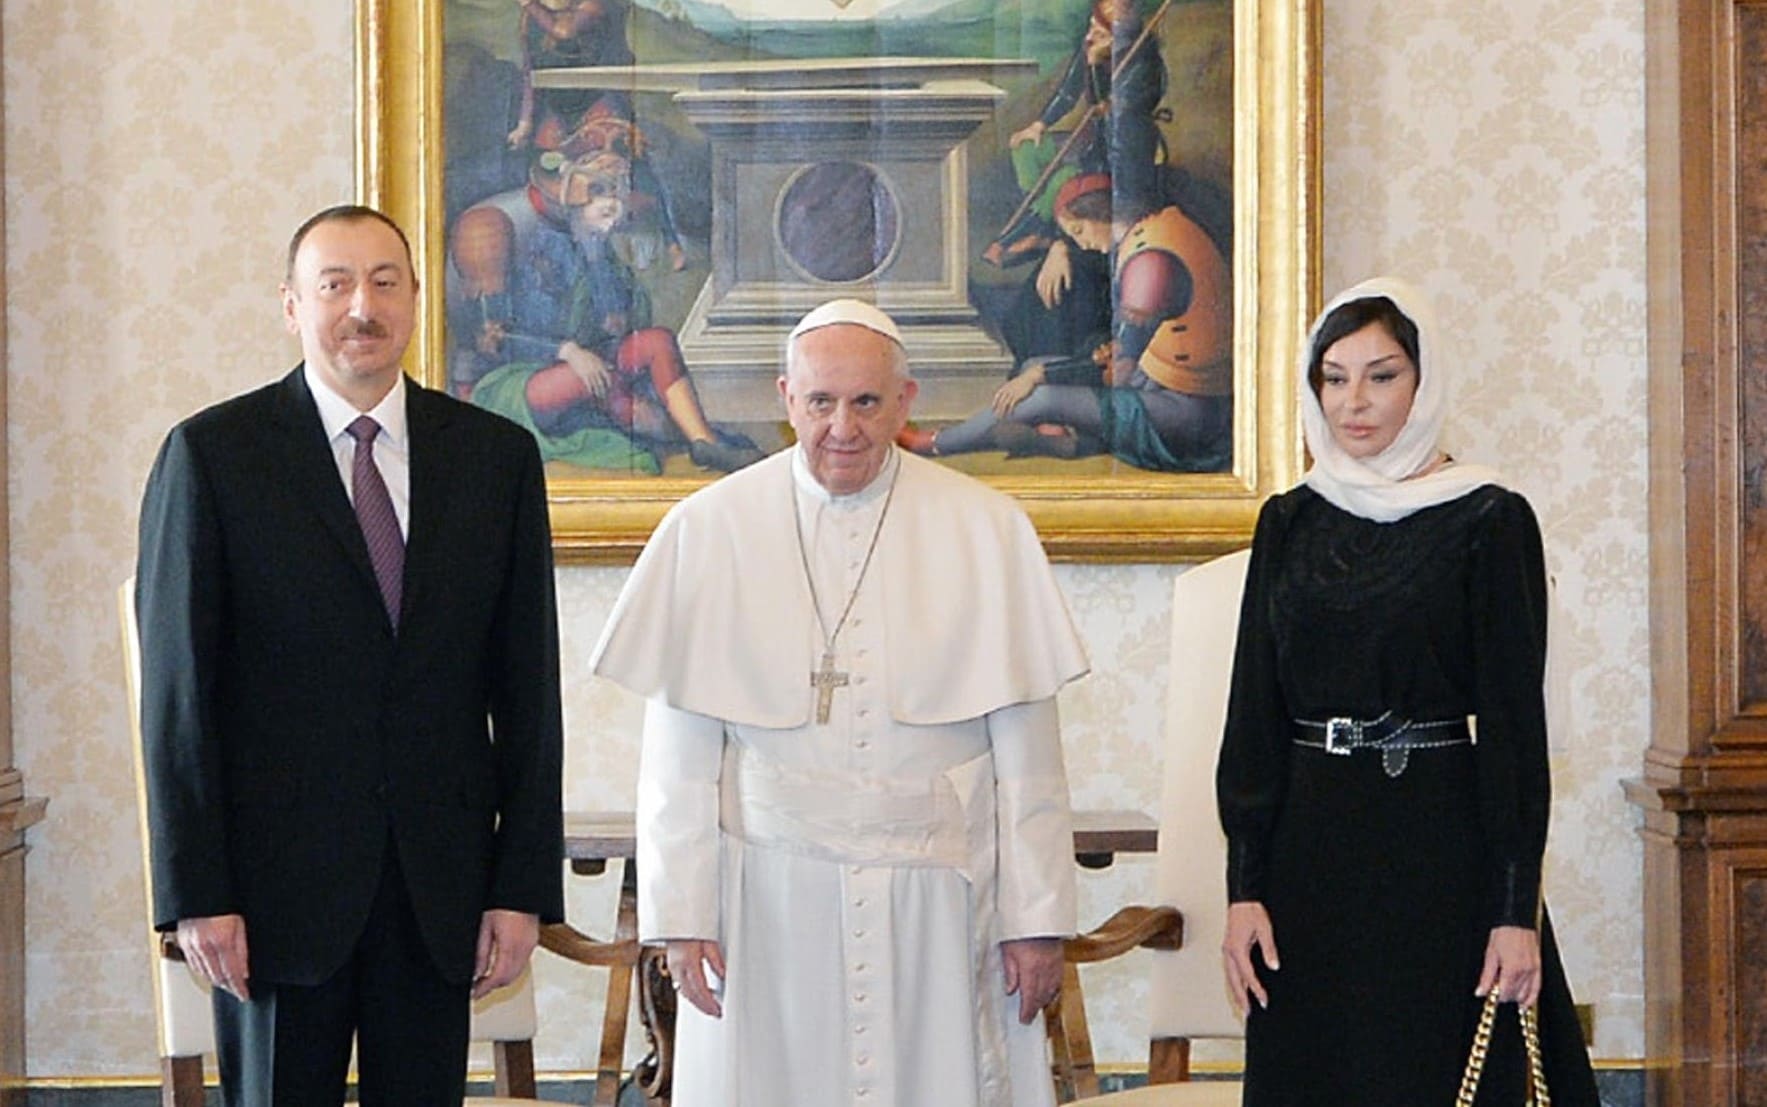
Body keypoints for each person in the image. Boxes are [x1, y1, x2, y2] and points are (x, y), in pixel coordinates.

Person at [591, 299, 1089, 1106]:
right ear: (787, 397)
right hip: (767, 900)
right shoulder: (708, 528)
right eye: (820, 402)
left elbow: (1029, 753)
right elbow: (678, 754)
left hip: (941, 898)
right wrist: (680, 913)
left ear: (906, 401)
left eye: (865, 402)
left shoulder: (986, 528)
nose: (842, 427)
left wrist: (1036, 918)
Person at [135, 205, 565, 1105]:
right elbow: (179, 701)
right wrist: (196, 892)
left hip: (438, 891)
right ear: (291, 306)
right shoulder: (212, 456)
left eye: (383, 282)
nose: (359, 307)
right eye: (333, 284)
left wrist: (520, 886)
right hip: (271, 899)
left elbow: (528, 694)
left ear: (414, 300)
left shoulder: (496, 460)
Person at [1214, 277, 1600, 1104]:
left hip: (1442, 849)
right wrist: (1243, 889)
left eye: (1381, 375)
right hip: (1307, 858)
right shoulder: (1289, 519)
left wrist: (1512, 909)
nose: (1354, 400)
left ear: (1424, 381)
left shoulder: (1487, 517)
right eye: (1333, 376)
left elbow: (1511, 729)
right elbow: (1252, 712)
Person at [451, 150, 760, 474]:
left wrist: (601, 266)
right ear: (572, 203)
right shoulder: (538, 252)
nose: (611, 207)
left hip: (591, 365)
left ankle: (703, 442)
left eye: (615, 195)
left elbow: (619, 326)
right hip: (518, 382)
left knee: (657, 341)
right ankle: (656, 428)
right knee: (598, 380)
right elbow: (495, 339)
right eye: (599, 195)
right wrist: (567, 351)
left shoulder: (600, 255)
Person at [908, 172, 1231, 472]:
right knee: (1035, 365)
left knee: (1040, 394)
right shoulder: (1158, 227)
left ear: (1103, 212)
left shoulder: (1150, 264)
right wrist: (1041, 370)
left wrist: (1040, 376)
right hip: (1159, 377)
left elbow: (1121, 360)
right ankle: (1072, 439)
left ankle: (935, 443)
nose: (1081, 244)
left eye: (1079, 231)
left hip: (1188, 411)